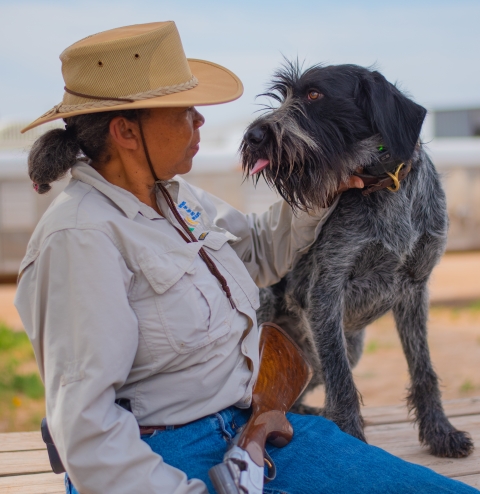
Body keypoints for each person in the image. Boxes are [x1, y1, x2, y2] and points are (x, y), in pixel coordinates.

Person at [14, 21, 477, 494]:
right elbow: (86, 431)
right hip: (159, 456)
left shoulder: (173, 197)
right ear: (126, 132)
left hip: (253, 428)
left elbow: (255, 251)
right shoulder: (79, 238)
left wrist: (325, 191)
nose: (200, 122)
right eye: (185, 112)